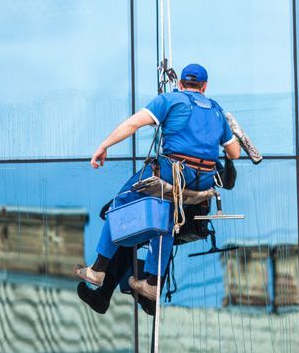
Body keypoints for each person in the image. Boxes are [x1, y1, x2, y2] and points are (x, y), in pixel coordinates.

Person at [74, 63, 241, 304]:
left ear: (180, 84)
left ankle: (97, 270)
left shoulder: (170, 100)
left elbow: (133, 124)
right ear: (204, 87)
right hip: (200, 183)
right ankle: (153, 283)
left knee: (119, 206)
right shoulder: (217, 110)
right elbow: (234, 153)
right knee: (166, 221)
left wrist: (104, 146)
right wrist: (232, 134)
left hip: (173, 173)